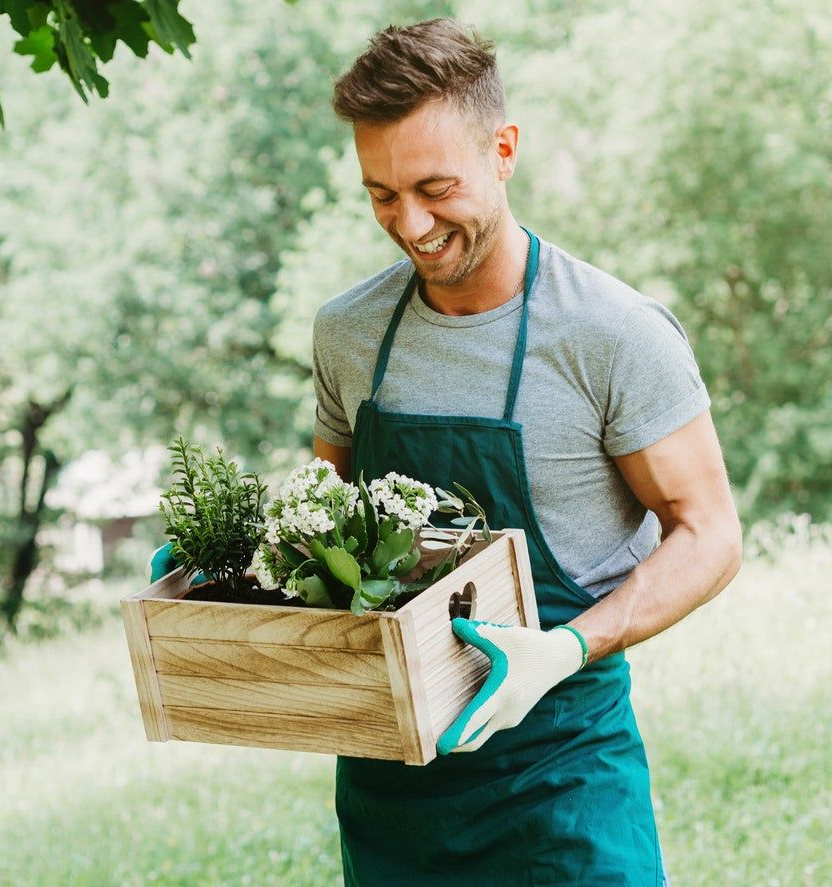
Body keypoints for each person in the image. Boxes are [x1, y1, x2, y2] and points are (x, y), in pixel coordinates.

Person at [311, 18, 743, 887]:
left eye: (435, 186)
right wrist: (240, 565)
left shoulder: (611, 334)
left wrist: (566, 646)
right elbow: (328, 515)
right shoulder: (349, 332)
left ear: (503, 148)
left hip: (562, 780)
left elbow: (709, 534)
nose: (412, 222)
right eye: (381, 195)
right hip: (395, 790)